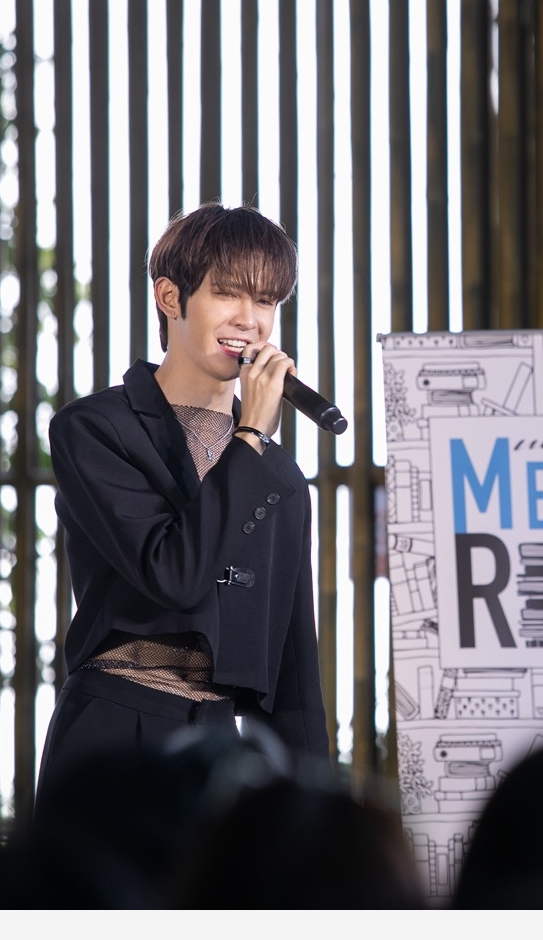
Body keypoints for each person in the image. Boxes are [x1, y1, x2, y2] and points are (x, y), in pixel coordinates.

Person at [36, 203, 328, 803]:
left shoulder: (280, 476)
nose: (250, 320)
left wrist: (317, 814)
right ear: (170, 297)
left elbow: (294, 672)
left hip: (223, 753)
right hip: (114, 732)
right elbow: (174, 574)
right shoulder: (95, 430)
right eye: (228, 294)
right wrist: (251, 434)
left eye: (266, 301)